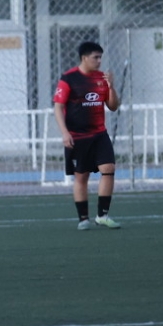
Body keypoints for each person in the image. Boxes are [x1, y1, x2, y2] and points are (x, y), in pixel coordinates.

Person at [53, 41, 121, 230]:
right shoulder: (69, 79)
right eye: (95, 57)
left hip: (99, 134)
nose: (99, 61)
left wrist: (111, 87)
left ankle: (103, 215)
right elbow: (58, 107)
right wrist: (64, 133)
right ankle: (83, 218)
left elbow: (113, 106)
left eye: (100, 57)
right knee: (81, 176)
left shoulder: (102, 78)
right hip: (77, 137)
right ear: (84, 58)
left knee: (108, 168)